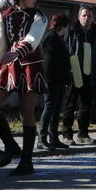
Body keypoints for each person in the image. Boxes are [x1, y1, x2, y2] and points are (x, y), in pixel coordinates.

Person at [0, 0, 48, 176]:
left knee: (26, 114)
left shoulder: (39, 16)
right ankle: (11, 146)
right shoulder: (4, 16)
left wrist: (16, 52)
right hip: (8, 67)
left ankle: (26, 161)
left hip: (30, 66)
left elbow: (32, 39)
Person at [61, 5, 96, 145]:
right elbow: (64, 53)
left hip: (91, 74)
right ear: (79, 17)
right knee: (70, 104)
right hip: (74, 73)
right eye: (84, 15)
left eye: (90, 16)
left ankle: (83, 134)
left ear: (93, 18)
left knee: (87, 105)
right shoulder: (71, 32)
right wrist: (65, 72)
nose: (87, 18)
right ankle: (67, 135)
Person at [39, 14, 71, 150]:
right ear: (62, 26)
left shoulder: (57, 38)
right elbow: (48, 62)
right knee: (49, 107)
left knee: (56, 109)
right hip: (51, 80)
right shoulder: (50, 38)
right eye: (67, 26)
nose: (67, 29)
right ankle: (41, 139)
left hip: (59, 80)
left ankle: (53, 137)